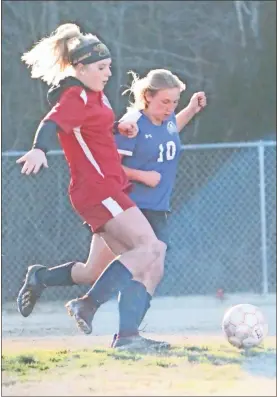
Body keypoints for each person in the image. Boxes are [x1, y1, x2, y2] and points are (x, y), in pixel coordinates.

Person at [16, 23, 170, 351]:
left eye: (109, 66)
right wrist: (39, 148)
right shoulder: (77, 95)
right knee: (150, 249)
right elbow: (52, 123)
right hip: (99, 190)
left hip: (104, 189)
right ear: (80, 68)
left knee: (104, 268)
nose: (108, 72)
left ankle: (42, 279)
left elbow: (89, 129)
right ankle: (88, 305)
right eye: (101, 67)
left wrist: (118, 126)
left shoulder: (94, 97)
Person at [68, 68, 207, 347]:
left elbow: (168, 134)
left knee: (152, 270)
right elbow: (110, 166)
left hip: (157, 208)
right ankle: (91, 306)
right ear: (147, 96)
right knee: (143, 259)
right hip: (132, 205)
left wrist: (190, 109)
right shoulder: (132, 124)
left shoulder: (165, 121)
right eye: (164, 102)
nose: (170, 108)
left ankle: (127, 336)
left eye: (174, 102)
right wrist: (144, 176)